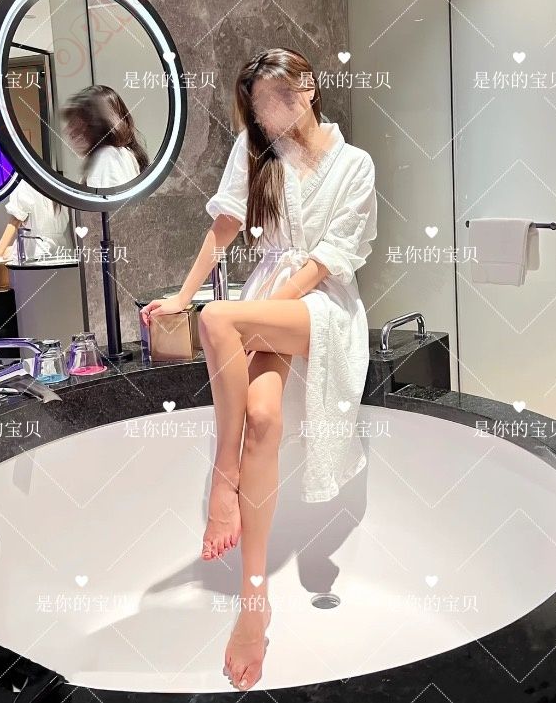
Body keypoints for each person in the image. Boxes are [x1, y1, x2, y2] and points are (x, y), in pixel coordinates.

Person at [141, 48, 378, 691]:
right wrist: (182, 296)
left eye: (275, 100)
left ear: (308, 87)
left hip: (322, 307)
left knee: (221, 320)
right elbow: (224, 227)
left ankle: (223, 484)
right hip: (270, 300)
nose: (267, 117)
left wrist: (256, 314)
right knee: (264, 417)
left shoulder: (355, 164)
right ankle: (254, 603)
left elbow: (328, 261)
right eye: (257, 108)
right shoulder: (255, 149)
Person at [61, 84, 149, 188]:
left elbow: (107, 197)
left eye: (74, 122)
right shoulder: (117, 154)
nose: (68, 130)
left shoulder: (106, 158)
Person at [0, 179, 72, 266]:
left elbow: (16, 218)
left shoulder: (26, 183)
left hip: (36, 254)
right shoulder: (59, 181)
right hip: (62, 250)